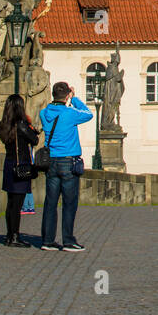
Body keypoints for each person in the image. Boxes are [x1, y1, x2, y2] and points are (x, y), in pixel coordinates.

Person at [38, 81, 94, 251]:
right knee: (69, 203)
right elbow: (88, 114)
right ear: (67, 94)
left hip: (51, 163)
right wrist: (74, 98)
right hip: (68, 162)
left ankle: (48, 240)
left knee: (51, 202)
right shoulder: (70, 113)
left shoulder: (44, 113)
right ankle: (68, 240)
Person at [0, 94, 39, 247]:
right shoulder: (21, 125)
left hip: (9, 165)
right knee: (18, 203)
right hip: (21, 166)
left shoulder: (4, 124)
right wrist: (30, 125)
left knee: (10, 203)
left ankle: (10, 235)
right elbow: (35, 140)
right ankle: (15, 236)